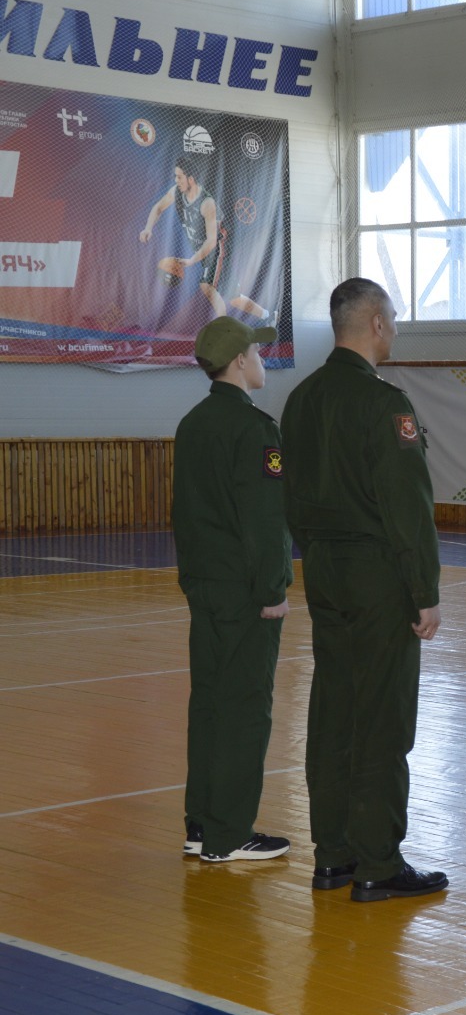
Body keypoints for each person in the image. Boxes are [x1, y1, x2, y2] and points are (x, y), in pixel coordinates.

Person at [279, 277, 446, 902]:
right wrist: (423, 590)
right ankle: (377, 862)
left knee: (335, 710)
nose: (396, 329)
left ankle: (334, 855)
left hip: (322, 568)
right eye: (394, 318)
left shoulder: (301, 399)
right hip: (379, 575)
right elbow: (407, 508)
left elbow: (288, 495)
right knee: (381, 716)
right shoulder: (384, 405)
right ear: (374, 322)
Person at [172, 316, 292, 864]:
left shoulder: (193, 424)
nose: (262, 361)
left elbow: (187, 515)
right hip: (245, 592)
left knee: (211, 705)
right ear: (241, 361)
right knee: (245, 708)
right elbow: (264, 522)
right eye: (257, 354)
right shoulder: (255, 429)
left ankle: (201, 824)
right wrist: (273, 589)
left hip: (205, 586)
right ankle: (229, 834)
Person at [139, 155, 272, 323]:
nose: (176, 180)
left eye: (179, 177)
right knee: (234, 298)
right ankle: (267, 316)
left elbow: (211, 241)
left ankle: (222, 332)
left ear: (191, 179)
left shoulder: (206, 203)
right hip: (206, 248)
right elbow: (158, 207)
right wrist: (148, 228)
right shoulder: (177, 192)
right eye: (175, 176)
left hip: (219, 246)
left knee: (207, 286)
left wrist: (192, 261)